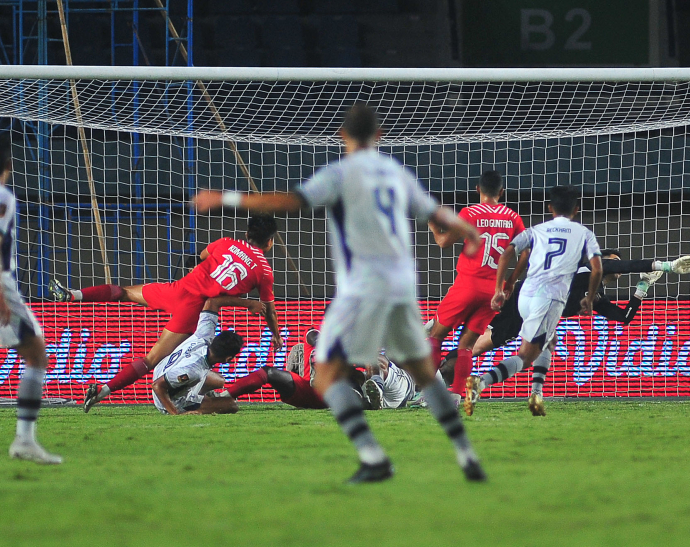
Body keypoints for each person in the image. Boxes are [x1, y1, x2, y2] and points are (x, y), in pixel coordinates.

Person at [193, 103, 487, 483]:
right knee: (425, 376)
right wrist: (470, 234)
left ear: (342, 136)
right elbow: (440, 214)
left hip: (363, 287)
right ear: (379, 137)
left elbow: (290, 202)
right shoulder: (397, 173)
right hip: (402, 286)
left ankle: (373, 457)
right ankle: (467, 456)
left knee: (325, 377)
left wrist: (226, 199)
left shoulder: (341, 173)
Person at [49, 215, 284, 412]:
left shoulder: (225, 242)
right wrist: (275, 334)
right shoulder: (264, 271)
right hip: (191, 310)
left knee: (124, 292)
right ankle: (104, 391)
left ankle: (73, 295)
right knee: (151, 359)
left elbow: (201, 257)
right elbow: (269, 311)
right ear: (269, 242)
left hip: (176, 290)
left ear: (247, 234)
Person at [438, 250, 690, 414]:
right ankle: (442, 381)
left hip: (536, 313)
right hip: (527, 298)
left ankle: (462, 381)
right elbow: (616, 266)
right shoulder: (586, 270)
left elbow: (624, 317)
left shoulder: (597, 296)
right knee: (505, 347)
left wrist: (642, 286)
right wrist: (666, 266)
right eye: (612, 261)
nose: (616, 266)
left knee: (504, 351)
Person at [465, 185, 602, 417]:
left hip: (525, 295)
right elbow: (597, 269)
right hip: (549, 298)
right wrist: (589, 297)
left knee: (549, 339)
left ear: (550, 208)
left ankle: (536, 395)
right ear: (576, 210)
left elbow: (508, 251)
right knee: (526, 357)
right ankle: (481, 383)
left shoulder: (536, 230)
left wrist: (500, 287)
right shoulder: (584, 233)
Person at [427, 170, 525, 403]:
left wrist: (431, 221)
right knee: (466, 346)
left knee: (436, 336)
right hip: (494, 291)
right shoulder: (513, 217)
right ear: (501, 192)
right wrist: (510, 282)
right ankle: (456, 394)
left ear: (477, 190)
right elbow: (526, 252)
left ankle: (428, 390)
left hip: (467, 285)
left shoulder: (469, 213)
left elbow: (443, 242)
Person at [1, 135, 62, 464]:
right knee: (37, 355)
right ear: (8, 167)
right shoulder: (3, 196)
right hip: (1, 283)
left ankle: (25, 440)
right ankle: (24, 439)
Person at [151, 299, 243, 415]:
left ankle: (199, 398)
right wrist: (176, 413)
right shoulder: (192, 371)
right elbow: (157, 385)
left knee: (219, 381)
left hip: (164, 370)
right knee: (231, 405)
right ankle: (193, 408)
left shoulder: (203, 336)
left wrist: (249, 304)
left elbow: (211, 302)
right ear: (228, 359)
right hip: (167, 401)